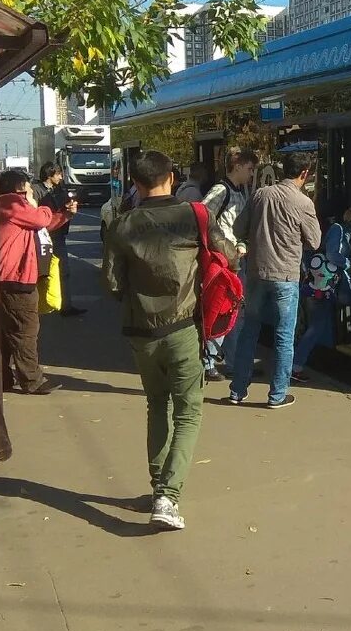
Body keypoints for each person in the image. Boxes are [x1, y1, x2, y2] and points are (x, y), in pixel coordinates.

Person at [102, 150, 233, 531]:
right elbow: (226, 254)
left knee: (156, 404)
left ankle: (159, 486)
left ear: (136, 185)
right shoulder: (196, 215)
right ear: (172, 178)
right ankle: (168, 497)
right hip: (183, 329)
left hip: (140, 333)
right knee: (188, 411)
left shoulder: (122, 224)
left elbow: (111, 284)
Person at [227, 150, 321, 409]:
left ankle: (237, 391)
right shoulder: (303, 203)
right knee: (283, 336)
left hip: (256, 273)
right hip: (286, 276)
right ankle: (277, 395)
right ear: (304, 174)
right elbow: (314, 241)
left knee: (250, 332)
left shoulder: (260, 195)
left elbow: (237, 229)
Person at [0, 168, 74, 395]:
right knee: (25, 330)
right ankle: (32, 380)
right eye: (29, 188)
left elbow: (40, 225)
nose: (32, 192)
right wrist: (34, 203)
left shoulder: (11, 208)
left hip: (11, 278)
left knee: (8, 331)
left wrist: (65, 215)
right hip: (16, 278)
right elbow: (40, 217)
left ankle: (3, 378)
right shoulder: (11, 203)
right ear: (20, 189)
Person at [292, 196, 351, 381]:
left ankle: (295, 365)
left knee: (315, 327)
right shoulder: (337, 228)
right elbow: (333, 254)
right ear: (343, 211)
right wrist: (349, 264)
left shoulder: (316, 225)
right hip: (335, 283)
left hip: (315, 284)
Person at [199, 149, 258, 381]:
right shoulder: (221, 190)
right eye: (250, 168)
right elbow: (203, 216)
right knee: (223, 310)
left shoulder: (238, 191)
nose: (252, 173)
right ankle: (210, 361)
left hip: (234, 259)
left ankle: (233, 362)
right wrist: (222, 246)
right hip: (225, 261)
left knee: (234, 313)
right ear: (238, 166)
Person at [32, 163, 85, 316]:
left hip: (58, 235)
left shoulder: (59, 190)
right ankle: (39, 305)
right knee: (41, 273)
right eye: (58, 174)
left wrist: (68, 208)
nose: (61, 177)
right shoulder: (37, 191)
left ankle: (65, 306)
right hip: (42, 237)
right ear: (49, 175)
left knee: (63, 271)